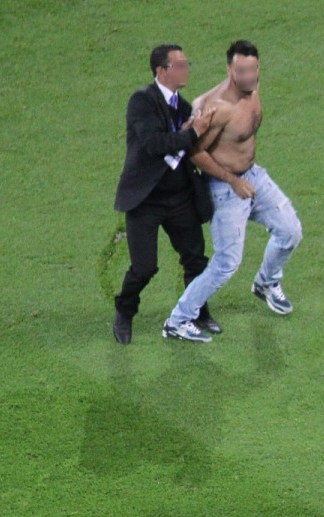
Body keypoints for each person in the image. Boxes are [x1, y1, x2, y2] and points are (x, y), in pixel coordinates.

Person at [163, 40, 303, 341]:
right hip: (225, 187)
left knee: (290, 231)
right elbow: (195, 153)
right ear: (229, 70)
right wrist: (233, 181)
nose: (249, 76)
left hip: (254, 177)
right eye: (241, 71)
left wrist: (244, 178)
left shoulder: (253, 87)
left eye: (253, 69)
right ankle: (178, 319)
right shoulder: (217, 107)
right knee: (227, 263)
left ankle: (266, 283)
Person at [112, 44, 222, 345]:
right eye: (180, 64)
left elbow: (194, 147)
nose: (186, 69)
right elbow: (153, 144)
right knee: (144, 267)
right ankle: (124, 312)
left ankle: (198, 312)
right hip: (145, 201)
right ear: (162, 70)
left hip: (180, 198)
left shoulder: (185, 108)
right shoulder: (141, 102)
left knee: (195, 259)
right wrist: (193, 132)